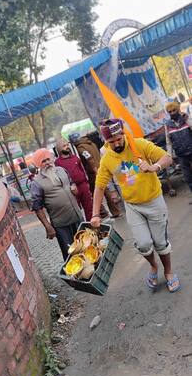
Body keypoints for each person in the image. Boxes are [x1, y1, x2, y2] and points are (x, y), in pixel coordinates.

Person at [91, 119, 179, 292]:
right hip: (133, 206)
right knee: (144, 244)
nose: (116, 143)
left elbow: (167, 157)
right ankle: (153, 266)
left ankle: (168, 271)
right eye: (111, 141)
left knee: (160, 242)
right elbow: (99, 187)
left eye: (118, 139)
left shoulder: (139, 145)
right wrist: (95, 214)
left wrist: (155, 167)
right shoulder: (107, 158)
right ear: (106, 141)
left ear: (123, 134)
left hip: (154, 201)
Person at [30, 148, 84, 260]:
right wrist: (48, 227)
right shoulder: (37, 182)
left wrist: (75, 190)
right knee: (70, 253)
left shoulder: (61, 170)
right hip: (61, 224)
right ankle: (73, 276)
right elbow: (37, 208)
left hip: (77, 216)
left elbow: (73, 186)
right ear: (39, 165)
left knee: (85, 246)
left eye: (48, 159)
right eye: (43, 161)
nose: (47, 163)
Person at [70, 132, 122, 217]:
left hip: (94, 172)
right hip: (100, 167)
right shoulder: (90, 142)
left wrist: (95, 171)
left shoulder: (80, 147)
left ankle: (104, 212)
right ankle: (114, 211)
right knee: (105, 190)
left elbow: (89, 158)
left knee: (96, 192)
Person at [54, 139, 93, 219]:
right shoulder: (57, 163)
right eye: (64, 146)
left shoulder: (75, 157)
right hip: (71, 189)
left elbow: (82, 170)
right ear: (59, 149)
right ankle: (81, 227)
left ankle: (92, 226)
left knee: (89, 207)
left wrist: (86, 182)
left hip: (83, 185)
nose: (67, 147)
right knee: (76, 210)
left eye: (67, 145)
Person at [164, 101, 192, 202]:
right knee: (188, 177)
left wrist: (186, 118)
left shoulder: (185, 118)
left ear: (178, 110)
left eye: (174, 110)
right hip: (181, 155)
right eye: (169, 111)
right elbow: (168, 141)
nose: (172, 113)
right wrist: (169, 156)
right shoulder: (167, 125)